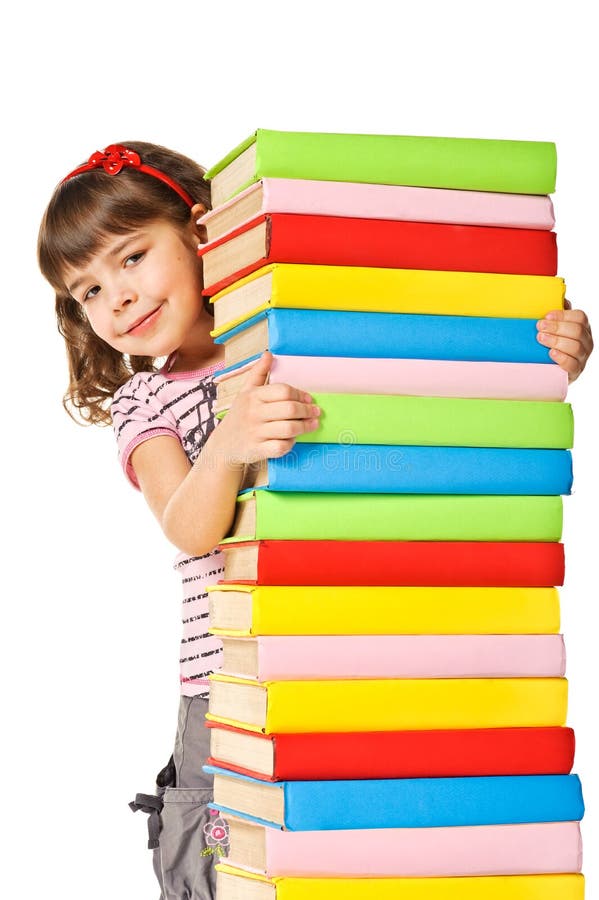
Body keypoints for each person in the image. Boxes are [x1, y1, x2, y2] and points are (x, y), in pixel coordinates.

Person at [38, 141, 593, 900]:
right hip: (229, 678)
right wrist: (228, 441)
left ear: (203, 234)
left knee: (376, 843)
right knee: (230, 857)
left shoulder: (299, 335)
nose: (117, 300)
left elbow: (421, 404)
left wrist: (538, 359)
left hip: (367, 641)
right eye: (88, 291)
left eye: (132, 259)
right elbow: (188, 525)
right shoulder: (149, 402)